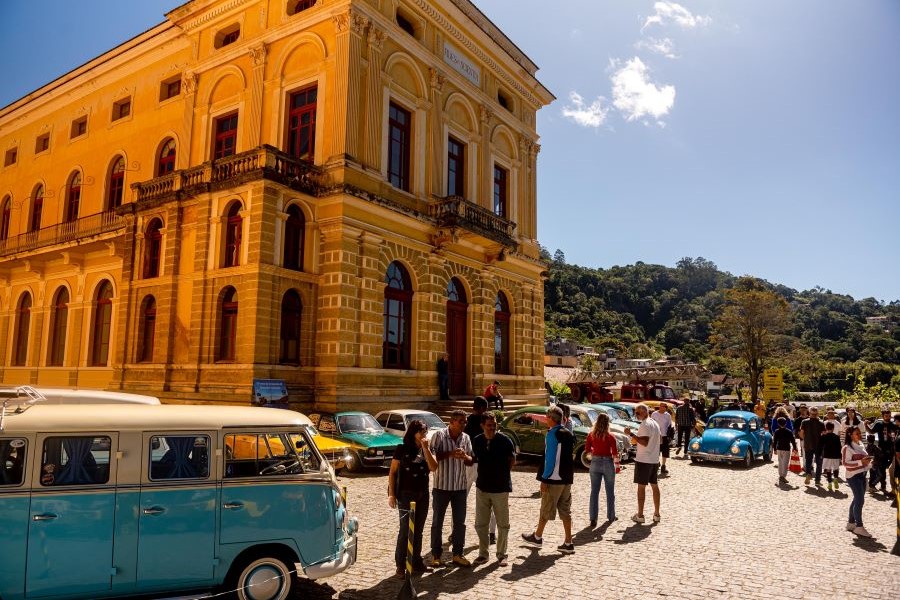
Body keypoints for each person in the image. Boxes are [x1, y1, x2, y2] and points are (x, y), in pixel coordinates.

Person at [521, 404, 575, 554]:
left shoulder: (552, 434)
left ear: (551, 419)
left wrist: (544, 479)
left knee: (546, 509)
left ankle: (537, 537)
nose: (545, 419)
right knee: (565, 511)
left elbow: (550, 459)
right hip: (566, 478)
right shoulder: (568, 433)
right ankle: (568, 542)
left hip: (553, 478)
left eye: (547, 417)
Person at [388, 419, 438, 578]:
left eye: (425, 431)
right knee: (405, 530)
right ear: (413, 433)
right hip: (405, 494)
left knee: (419, 530)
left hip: (422, 494)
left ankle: (416, 561)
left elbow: (434, 467)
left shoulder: (428, 448)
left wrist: (426, 449)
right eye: (421, 431)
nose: (424, 434)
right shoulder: (402, 449)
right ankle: (400, 565)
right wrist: (392, 494)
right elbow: (393, 472)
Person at [429, 410, 474, 567]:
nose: (464, 424)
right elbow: (432, 457)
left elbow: (470, 460)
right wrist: (449, 454)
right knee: (437, 522)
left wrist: (465, 457)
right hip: (442, 486)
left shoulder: (466, 438)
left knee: (460, 522)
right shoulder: (439, 436)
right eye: (461, 421)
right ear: (452, 422)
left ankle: (458, 554)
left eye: (465, 421)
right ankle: (436, 555)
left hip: (460, 487)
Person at [471, 412, 515, 567]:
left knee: (503, 524)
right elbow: (474, 459)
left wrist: (503, 475)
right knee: (480, 523)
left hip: (501, 488)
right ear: (482, 425)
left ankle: (502, 554)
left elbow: (512, 459)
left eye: (494, 425)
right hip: (482, 487)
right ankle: (483, 554)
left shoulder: (505, 441)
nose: (492, 428)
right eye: (489, 425)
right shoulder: (477, 440)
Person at [464, 397, 495, 545]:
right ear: (482, 408)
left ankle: (456, 531)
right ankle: (492, 533)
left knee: (461, 498)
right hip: (482, 465)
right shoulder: (487, 423)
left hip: (469, 463)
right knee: (491, 499)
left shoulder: (466, 422)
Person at [624, 403, 661, 524]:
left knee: (641, 488)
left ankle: (640, 515)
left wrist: (631, 434)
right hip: (654, 459)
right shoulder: (654, 423)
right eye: (635, 413)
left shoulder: (645, 424)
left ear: (645, 412)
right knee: (654, 485)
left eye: (638, 413)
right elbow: (659, 440)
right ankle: (656, 514)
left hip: (644, 460)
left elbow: (644, 442)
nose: (636, 415)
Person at [586, 412, 618, 526]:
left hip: (595, 462)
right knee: (610, 491)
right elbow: (614, 453)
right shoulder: (611, 436)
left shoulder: (591, 435)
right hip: (607, 462)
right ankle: (611, 516)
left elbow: (587, 449)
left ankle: (593, 518)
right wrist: (618, 466)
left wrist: (594, 455)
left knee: (594, 491)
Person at [842, 427, 873, 538]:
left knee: (857, 499)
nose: (859, 435)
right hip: (853, 477)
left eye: (860, 433)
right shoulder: (847, 447)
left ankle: (851, 523)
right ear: (850, 434)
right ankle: (859, 526)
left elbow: (863, 461)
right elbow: (845, 463)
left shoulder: (860, 445)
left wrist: (868, 462)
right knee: (859, 500)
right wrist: (861, 462)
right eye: (857, 433)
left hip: (863, 475)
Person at [868, 409, 898, 494]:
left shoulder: (893, 424)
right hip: (882, 450)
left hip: (893, 449)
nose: (888, 417)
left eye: (889, 416)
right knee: (882, 468)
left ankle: (894, 487)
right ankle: (883, 485)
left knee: (893, 468)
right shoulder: (879, 424)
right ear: (883, 416)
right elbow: (871, 431)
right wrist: (866, 424)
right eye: (886, 416)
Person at [799, 407, 825, 486]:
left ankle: (808, 474)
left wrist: (805, 439)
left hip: (808, 444)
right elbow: (824, 434)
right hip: (818, 446)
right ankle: (817, 480)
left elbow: (801, 433)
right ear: (817, 414)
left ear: (809, 413)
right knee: (819, 463)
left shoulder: (804, 421)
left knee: (808, 461)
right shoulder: (821, 422)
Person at [773, 417, 797, 485]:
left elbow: (775, 441)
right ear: (786, 423)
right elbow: (793, 440)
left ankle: (780, 475)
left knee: (780, 462)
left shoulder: (777, 431)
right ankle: (783, 476)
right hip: (786, 448)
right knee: (785, 463)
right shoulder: (789, 431)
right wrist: (795, 448)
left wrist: (774, 449)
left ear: (778, 424)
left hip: (779, 448)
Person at [650, 403, 672, 475]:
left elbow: (669, 425)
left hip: (664, 436)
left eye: (664, 407)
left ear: (666, 408)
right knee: (656, 452)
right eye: (661, 406)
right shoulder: (654, 414)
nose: (662, 407)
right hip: (656, 436)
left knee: (665, 452)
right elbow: (651, 424)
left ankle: (663, 466)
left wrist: (669, 436)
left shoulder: (668, 415)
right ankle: (657, 464)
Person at [821, 422, 842, 491]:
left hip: (827, 455)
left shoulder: (824, 436)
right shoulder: (836, 437)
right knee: (836, 469)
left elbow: (820, 446)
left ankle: (829, 483)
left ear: (826, 428)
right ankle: (835, 479)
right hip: (836, 455)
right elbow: (839, 447)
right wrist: (840, 456)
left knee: (828, 469)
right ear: (833, 428)